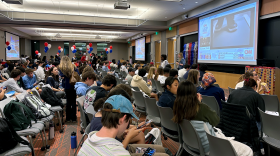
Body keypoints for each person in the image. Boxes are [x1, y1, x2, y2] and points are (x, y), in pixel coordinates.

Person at [172, 80, 252, 156]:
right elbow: (216, 121)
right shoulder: (200, 108)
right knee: (248, 151)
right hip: (210, 147)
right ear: (194, 94)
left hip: (191, 144)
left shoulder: (177, 108)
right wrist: (199, 103)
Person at [59, 56, 79, 122]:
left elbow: (61, 76)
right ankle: (73, 118)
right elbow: (78, 74)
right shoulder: (73, 66)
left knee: (68, 102)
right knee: (73, 101)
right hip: (73, 85)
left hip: (66, 86)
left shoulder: (61, 68)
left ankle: (68, 118)